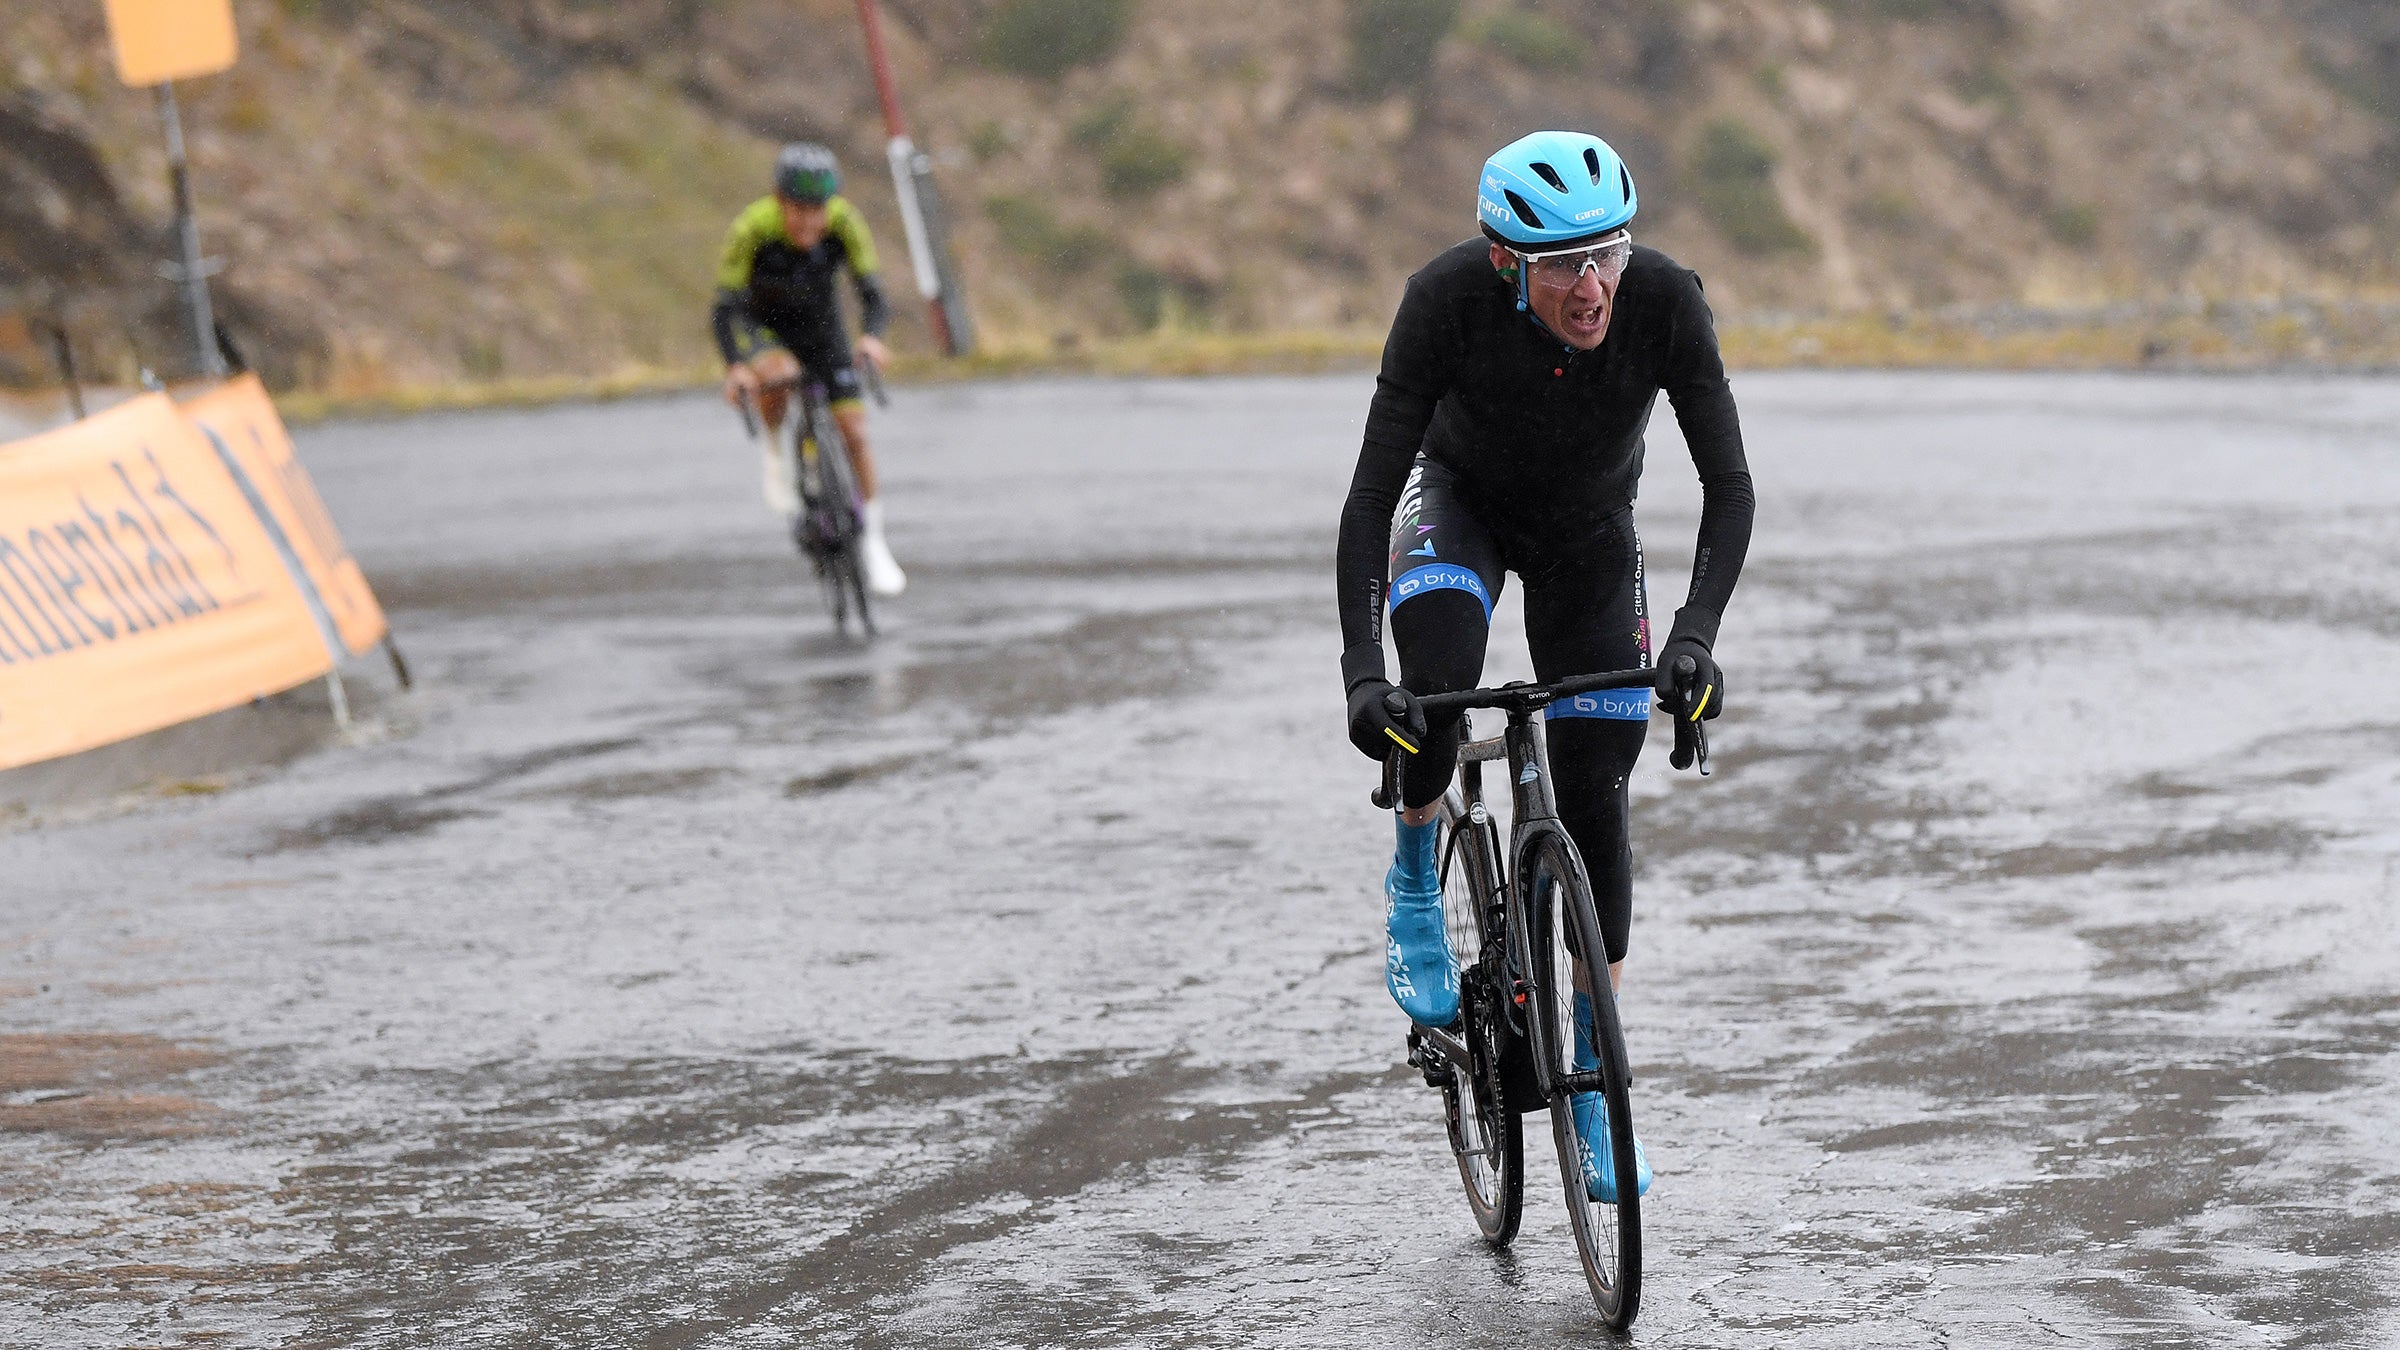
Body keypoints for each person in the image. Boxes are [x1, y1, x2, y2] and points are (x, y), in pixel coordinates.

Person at [1336, 130, 1755, 1203]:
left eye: (1607, 254)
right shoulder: (1443, 302)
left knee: (1599, 786)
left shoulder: (1663, 300)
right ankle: (1415, 875)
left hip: (1587, 535)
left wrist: (1697, 639)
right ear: (1503, 263)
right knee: (1432, 681)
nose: (1592, 286)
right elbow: (1372, 496)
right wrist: (1359, 675)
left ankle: (1593, 1091)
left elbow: (1730, 486)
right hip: (1460, 509)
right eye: (1564, 265)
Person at [713, 142, 906, 596]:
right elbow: (724, 310)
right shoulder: (752, 229)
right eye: (800, 210)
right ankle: (778, 450)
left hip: (822, 327)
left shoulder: (845, 223)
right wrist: (737, 367)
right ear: (779, 201)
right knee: (778, 373)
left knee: (855, 432)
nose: (811, 222)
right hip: (766, 328)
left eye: (818, 209)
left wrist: (872, 338)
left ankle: (874, 541)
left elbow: (873, 293)